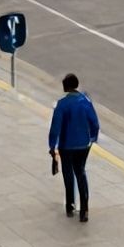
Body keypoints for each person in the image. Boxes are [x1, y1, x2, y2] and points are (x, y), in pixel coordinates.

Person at [47, 73, 100, 222]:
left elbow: (55, 128)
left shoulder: (62, 104)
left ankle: (70, 205)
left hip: (66, 145)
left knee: (68, 174)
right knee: (81, 172)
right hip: (83, 144)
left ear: (67, 86)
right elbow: (95, 123)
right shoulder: (86, 102)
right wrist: (92, 138)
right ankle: (84, 209)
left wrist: (52, 146)